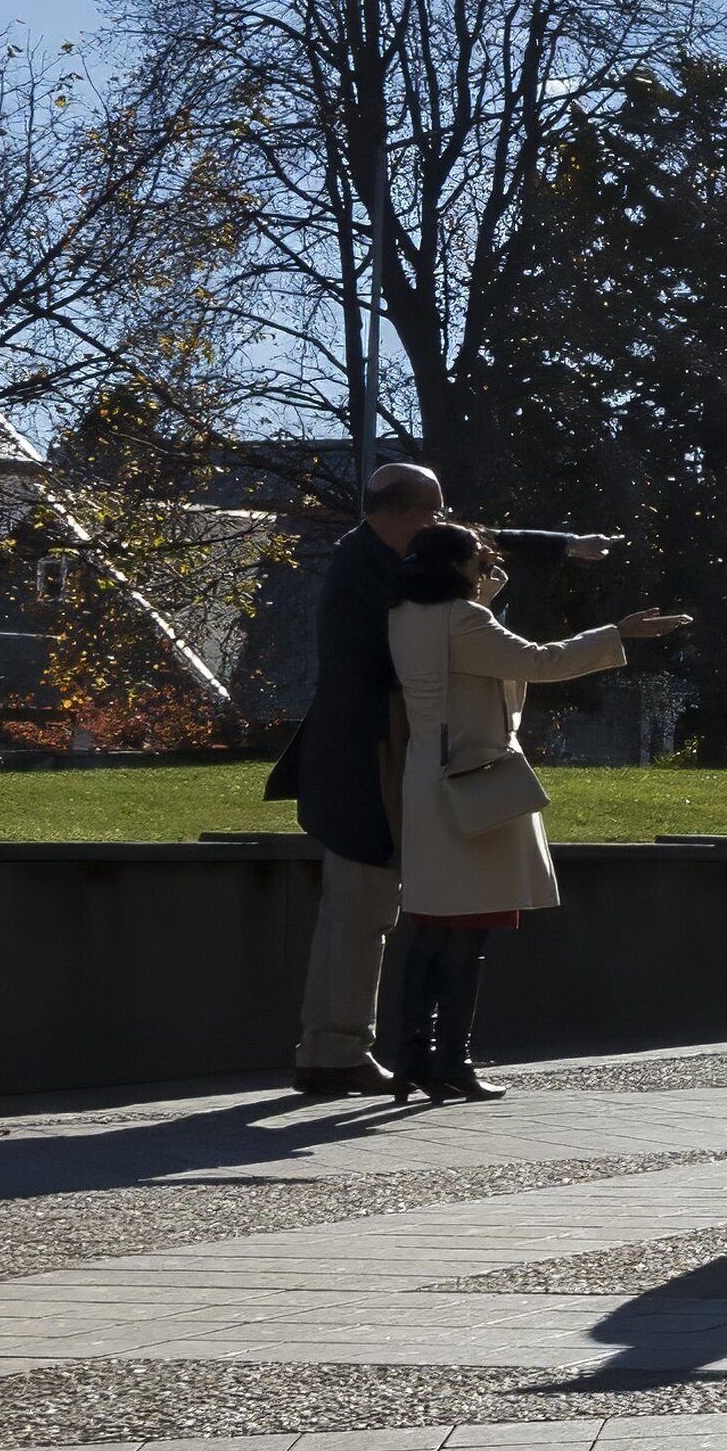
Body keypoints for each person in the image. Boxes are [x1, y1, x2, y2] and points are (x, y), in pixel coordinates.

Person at [383, 521, 686, 1103]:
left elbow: (473, 628)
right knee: (468, 931)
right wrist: (616, 634)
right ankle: (452, 1060)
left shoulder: (407, 615)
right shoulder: (466, 621)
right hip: (476, 780)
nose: (486, 568)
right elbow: (541, 662)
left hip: (431, 779)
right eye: (478, 561)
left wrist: (482, 580)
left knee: (431, 926)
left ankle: (414, 1059)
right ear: (455, 570)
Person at [280, 455, 444, 1097]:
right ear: (404, 514)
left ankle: (330, 1047)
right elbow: (413, 645)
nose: (440, 524)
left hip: (350, 759)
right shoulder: (376, 577)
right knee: (363, 910)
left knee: (352, 911)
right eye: (432, 512)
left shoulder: (365, 559)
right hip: (362, 763)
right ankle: (337, 1050)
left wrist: (563, 545)